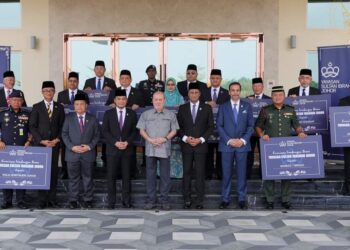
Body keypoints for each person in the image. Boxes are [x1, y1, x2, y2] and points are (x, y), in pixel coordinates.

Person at [255, 86, 306, 210]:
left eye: (280, 95)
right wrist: (262, 135)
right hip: (270, 147)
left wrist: (300, 132)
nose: (277, 97)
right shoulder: (265, 110)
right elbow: (258, 126)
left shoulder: (291, 110)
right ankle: (269, 200)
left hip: (286, 147)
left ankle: (286, 199)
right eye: (275, 95)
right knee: (269, 174)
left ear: (284, 96)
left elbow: (297, 126)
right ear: (272, 97)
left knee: (287, 173)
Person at [137, 91, 179, 210]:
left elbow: (174, 130)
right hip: (150, 149)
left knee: (165, 176)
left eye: (160, 99)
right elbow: (141, 130)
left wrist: (164, 139)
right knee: (150, 176)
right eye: (156, 99)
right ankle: (151, 200)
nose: (158, 102)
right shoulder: (146, 114)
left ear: (164, 101)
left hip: (164, 148)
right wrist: (150, 139)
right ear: (152, 101)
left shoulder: (171, 115)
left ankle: (164, 200)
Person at [217, 82, 254, 210]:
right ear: (229, 92)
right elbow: (219, 126)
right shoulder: (223, 107)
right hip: (227, 145)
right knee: (226, 174)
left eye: (237, 90)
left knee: (241, 173)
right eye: (232, 90)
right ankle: (225, 199)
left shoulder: (247, 106)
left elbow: (250, 126)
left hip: (242, 146)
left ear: (240, 92)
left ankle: (242, 199)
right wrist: (229, 140)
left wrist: (242, 140)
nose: (235, 93)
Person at [177, 82, 214, 209]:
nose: (193, 94)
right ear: (188, 94)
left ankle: (199, 200)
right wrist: (186, 138)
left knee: (200, 173)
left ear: (200, 94)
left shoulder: (207, 108)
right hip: (186, 146)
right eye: (191, 92)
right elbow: (178, 128)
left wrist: (201, 139)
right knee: (186, 172)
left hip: (201, 146)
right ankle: (186, 199)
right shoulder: (182, 108)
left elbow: (210, 127)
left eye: (196, 92)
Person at [29, 81, 65, 209]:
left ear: (54, 92)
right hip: (41, 146)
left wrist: (57, 139)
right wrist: (41, 140)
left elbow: (62, 126)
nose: (48, 93)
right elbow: (32, 126)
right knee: (41, 172)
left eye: (51, 90)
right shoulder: (37, 107)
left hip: (54, 145)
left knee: (53, 172)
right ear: (42, 92)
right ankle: (41, 200)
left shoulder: (59, 107)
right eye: (46, 90)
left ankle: (52, 199)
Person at [61, 93, 100, 209]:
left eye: (82, 104)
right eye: (77, 104)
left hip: (88, 153)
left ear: (86, 105)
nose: (79, 106)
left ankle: (88, 199)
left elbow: (97, 135)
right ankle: (73, 199)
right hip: (72, 154)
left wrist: (89, 146)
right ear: (74, 105)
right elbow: (64, 134)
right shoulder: (68, 118)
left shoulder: (92, 119)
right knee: (73, 178)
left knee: (88, 178)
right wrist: (72, 147)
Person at [102, 89, 138, 209]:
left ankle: (126, 201)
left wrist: (127, 142)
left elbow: (135, 131)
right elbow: (105, 131)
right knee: (111, 176)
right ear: (115, 100)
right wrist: (115, 142)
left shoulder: (132, 114)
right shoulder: (108, 113)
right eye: (119, 99)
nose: (121, 101)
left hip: (127, 150)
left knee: (126, 176)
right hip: (112, 150)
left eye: (123, 99)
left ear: (126, 100)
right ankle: (111, 202)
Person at [0, 91, 31, 209]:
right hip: (5, 149)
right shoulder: (2, 114)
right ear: (9, 101)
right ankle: (7, 201)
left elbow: (32, 130)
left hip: (21, 150)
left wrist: (29, 140)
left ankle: (21, 201)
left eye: (19, 100)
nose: (17, 102)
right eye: (14, 100)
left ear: (22, 102)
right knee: (6, 175)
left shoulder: (28, 114)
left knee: (20, 175)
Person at [57, 71, 89, 179]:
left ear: (78, 82)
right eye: (70, 81)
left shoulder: (83, 94)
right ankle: (65, 171)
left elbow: (87, 108)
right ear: (67, 82)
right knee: (66, 147)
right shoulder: (61, 94)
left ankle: (80, 172)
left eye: (75, 81)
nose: (72, 83)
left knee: (80, 147)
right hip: (66, 124)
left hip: (79, 125)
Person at [202, 69, 230, 180]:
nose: (215, 80)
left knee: (221, 152)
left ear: (221, 80)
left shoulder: (227, 93)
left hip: (222, 127)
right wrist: (206, 103)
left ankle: (220, 174)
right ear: (210, 79)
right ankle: (208, 174)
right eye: (213, 78)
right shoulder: (204, 92)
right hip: (206, 127)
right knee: (207, 152)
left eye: (217, 78)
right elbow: (197, 103)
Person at [246, 77, 271, 179]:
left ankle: (263, 175)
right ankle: (247, 175)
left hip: (263, 131)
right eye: (255, 86)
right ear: (252, 87)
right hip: (250, 132)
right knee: (248, 154)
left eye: (259, 86)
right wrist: (248, 102)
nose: (256, 88)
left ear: (262, 87)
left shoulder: (269, 100)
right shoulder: (247, 99)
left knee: (264, 154)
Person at [164, 77, 184, 179]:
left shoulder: (180, 97)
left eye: (172, 84)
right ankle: (164, 174)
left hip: (177, 127)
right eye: (168, 84)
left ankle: (177, 173)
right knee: (164, 149)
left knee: (177, 149)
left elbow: (184, 112)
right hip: (164, 128)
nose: (170, 86)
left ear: (175, 86)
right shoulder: (162, 97)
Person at [338, 96, 350, 195]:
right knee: (348, 164)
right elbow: (339, 117)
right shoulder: (343, 101)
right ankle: (348, 188)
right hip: (347, 139)